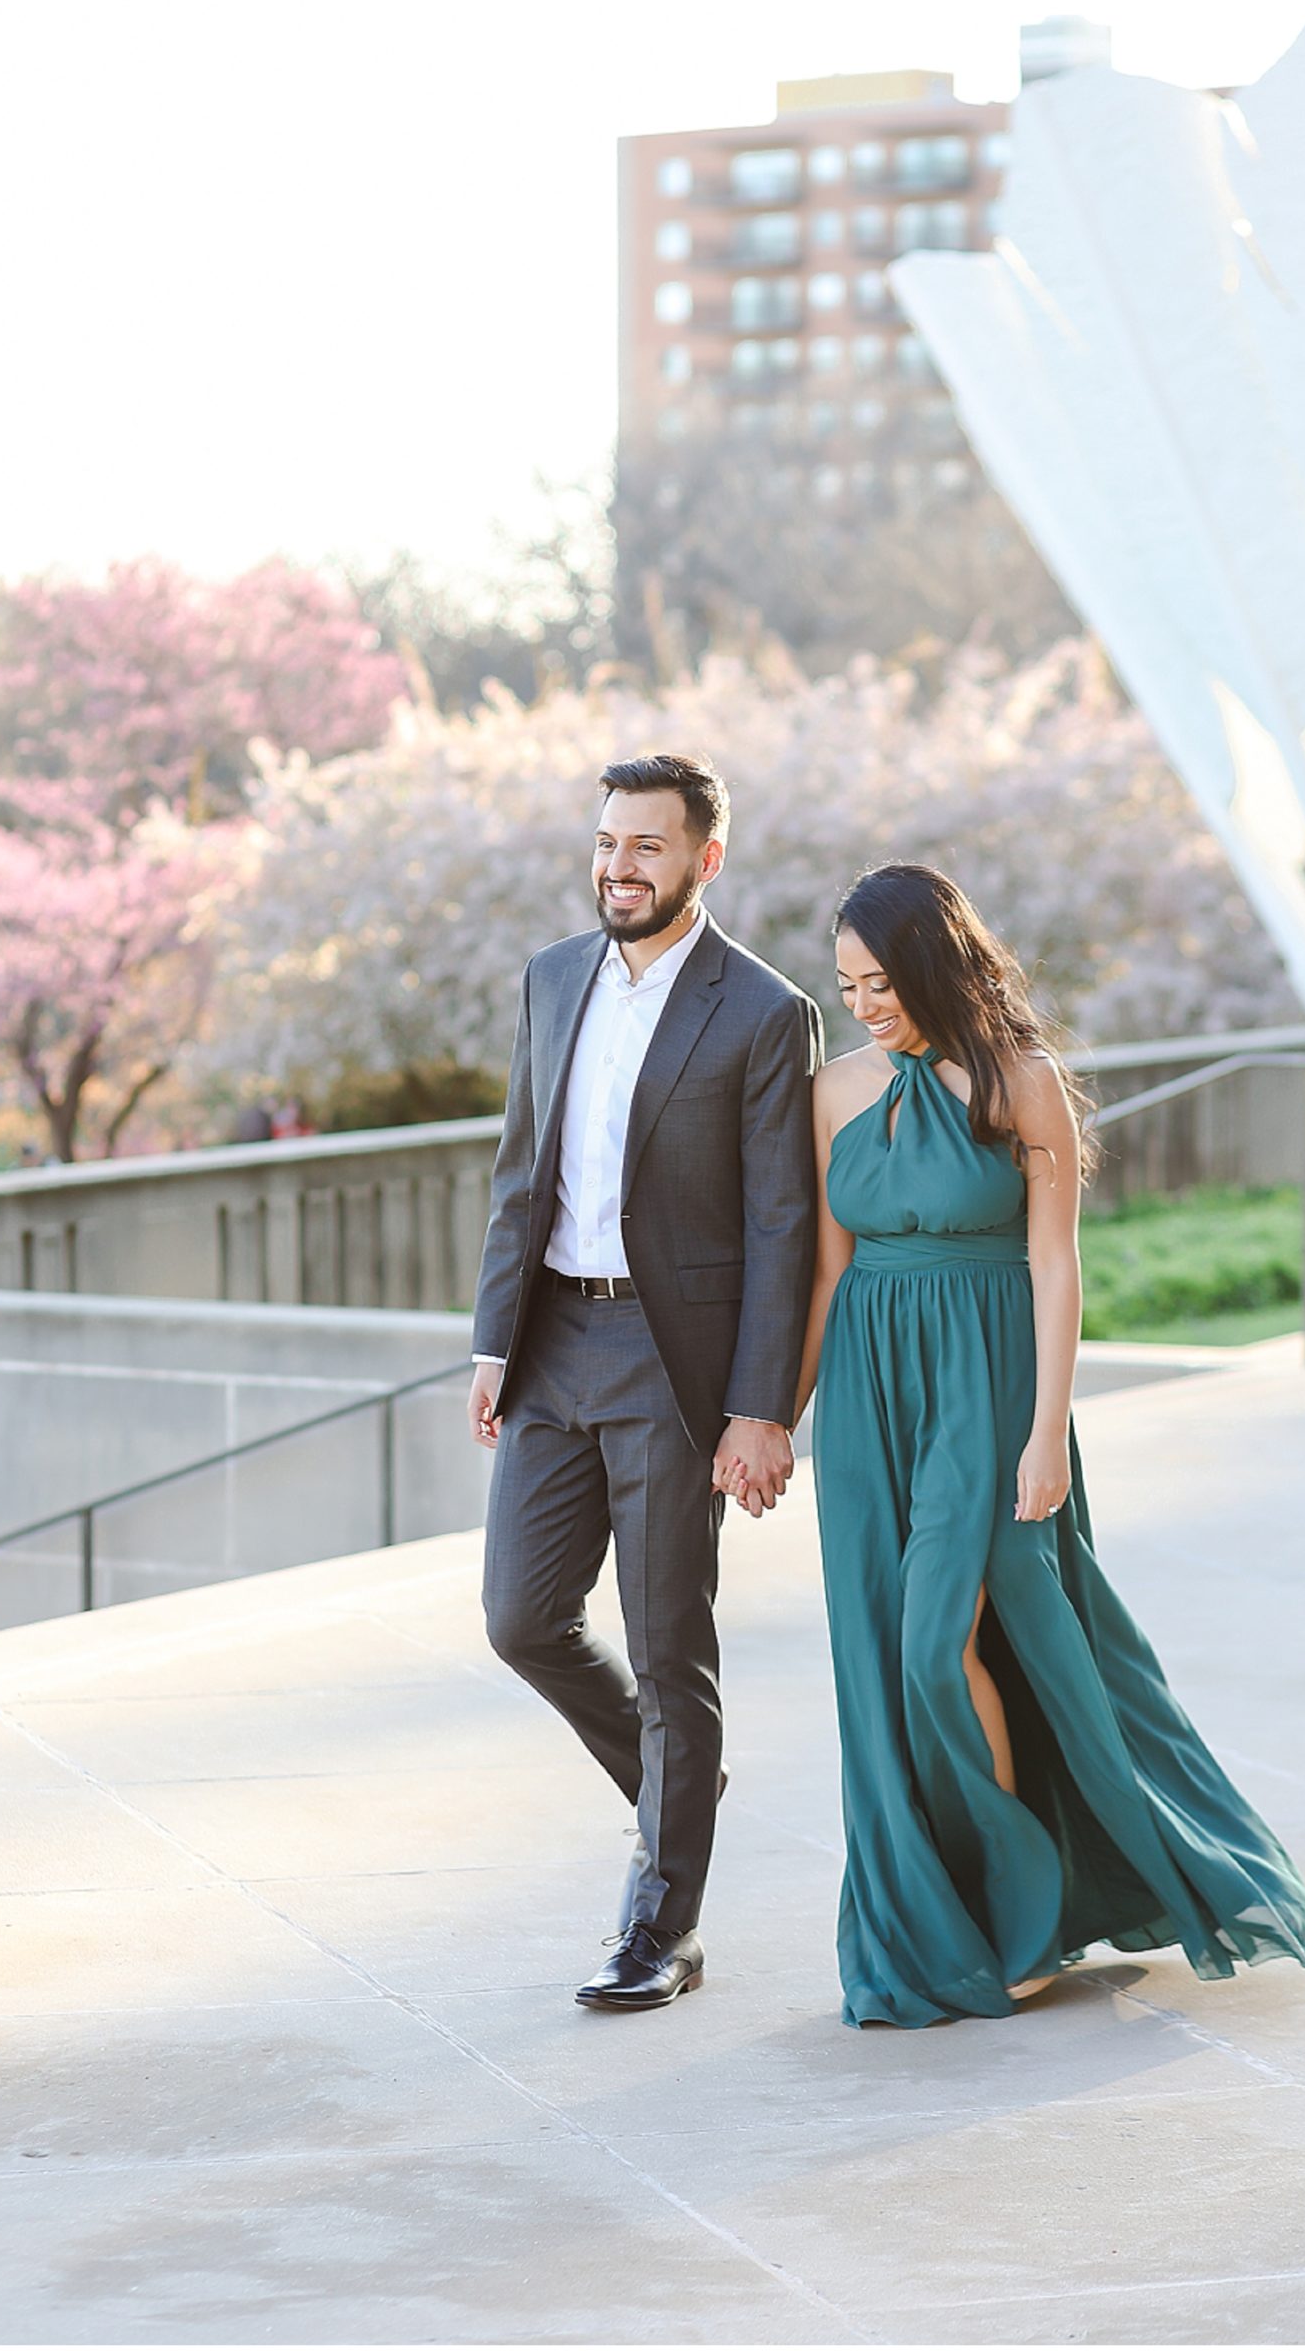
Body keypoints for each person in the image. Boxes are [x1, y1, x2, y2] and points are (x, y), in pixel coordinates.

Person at [776, 861, 1305, 2028]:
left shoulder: (1024, 1083)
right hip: (870, 1395)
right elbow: (825, 1270)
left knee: (935, 1646)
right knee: (884, 1655)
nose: (861, 1003)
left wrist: (1046, 1438)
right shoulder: (830, 1094)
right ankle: (952, 1916)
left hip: (988, 1380)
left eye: (879, 981)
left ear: (931, 961)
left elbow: (1056, 1265)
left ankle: (1015, 1909)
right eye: (846, 985)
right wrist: (773, 1415)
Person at [470, 752, 823, 2010]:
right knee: (521, 1617)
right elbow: (523, 1169)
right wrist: (492, 1342)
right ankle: (684, 1787)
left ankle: (660, 1927)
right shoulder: (553, 975)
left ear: (705, 859)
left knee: (672, 1646)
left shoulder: (764, 1012)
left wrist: (762, 1404)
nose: (620, 867)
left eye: (649, 848)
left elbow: (786, 1222)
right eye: (608, 843)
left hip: (675, 1364)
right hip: (555, 1343)